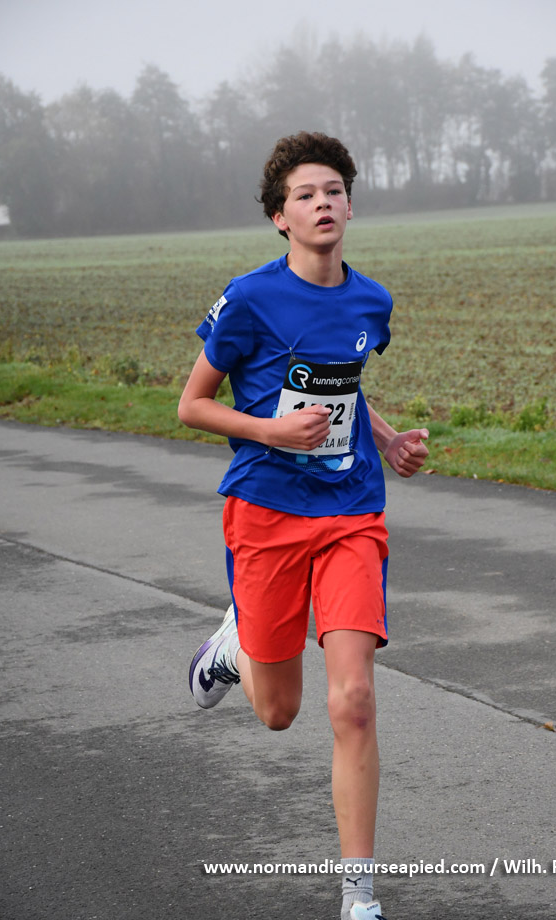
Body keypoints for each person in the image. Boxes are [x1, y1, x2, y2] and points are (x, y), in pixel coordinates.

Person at [178, 131, 429, 920]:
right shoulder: (250, 299)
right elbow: (192, 405)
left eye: (333, 191)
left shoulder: (370, 302)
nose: (322, 203)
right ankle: (232, 648)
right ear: (279, 218)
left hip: (350, 511)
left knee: (352, 700)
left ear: (350, 207)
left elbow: (344, 384)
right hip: (265, 510)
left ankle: (358, 897)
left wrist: (384, 439)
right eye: (304, 195)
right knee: (278, 711)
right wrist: (271, 431)